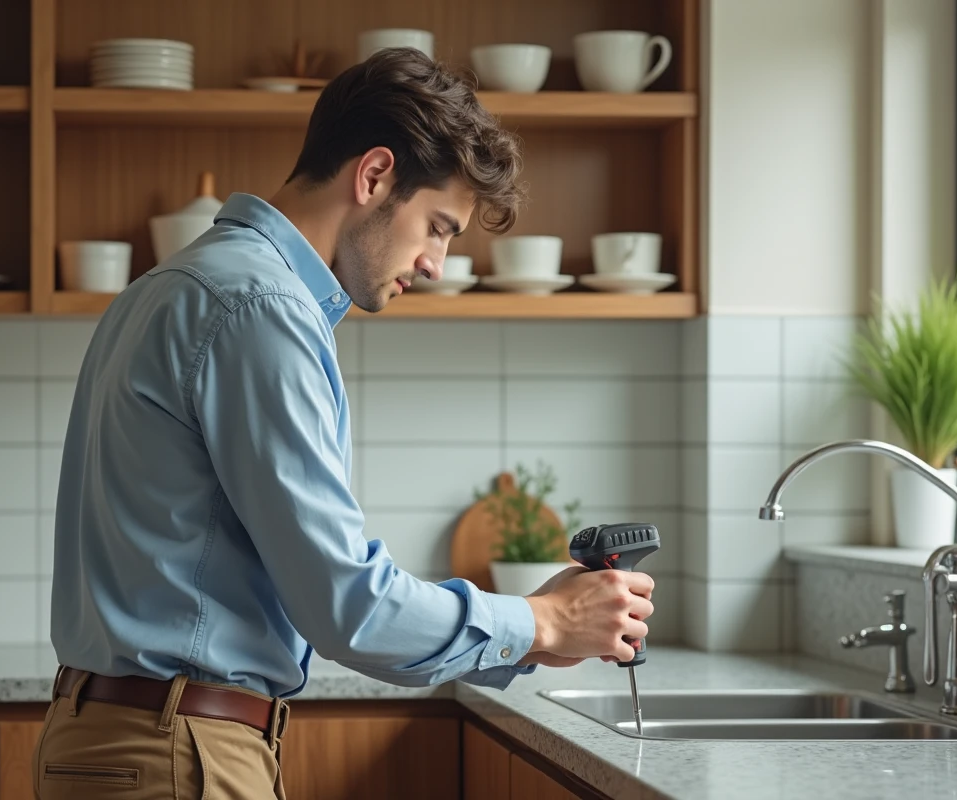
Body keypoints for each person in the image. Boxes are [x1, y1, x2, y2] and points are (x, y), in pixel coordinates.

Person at [32, 47, 655, 800]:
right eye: (438, 227)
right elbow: (346, 604)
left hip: (129, 740)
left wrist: (535, 630)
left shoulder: (178, 284)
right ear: (374, 176)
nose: (435, 264)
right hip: (178, 752)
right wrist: (539, 622)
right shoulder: (261, 308)